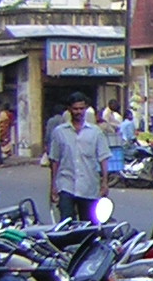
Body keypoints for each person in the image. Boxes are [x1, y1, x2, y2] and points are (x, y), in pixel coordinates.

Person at [48, 92, 112, 222]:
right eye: (75, 109)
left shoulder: (96, 132)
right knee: (66, 224)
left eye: (81, 108)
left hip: (89, 186)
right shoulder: (59, 132)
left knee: (88, 225)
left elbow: (103, 158)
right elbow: (55, 160)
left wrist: (105, 183)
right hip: (66, 185)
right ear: (69, 109)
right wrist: (53, 186)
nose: (78, 112)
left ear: (86, 109)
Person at [101, 98, 126, 183]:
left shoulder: (111, 113)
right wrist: (117, 126)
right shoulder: (106, 113)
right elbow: (107, 124)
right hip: (108, 135)